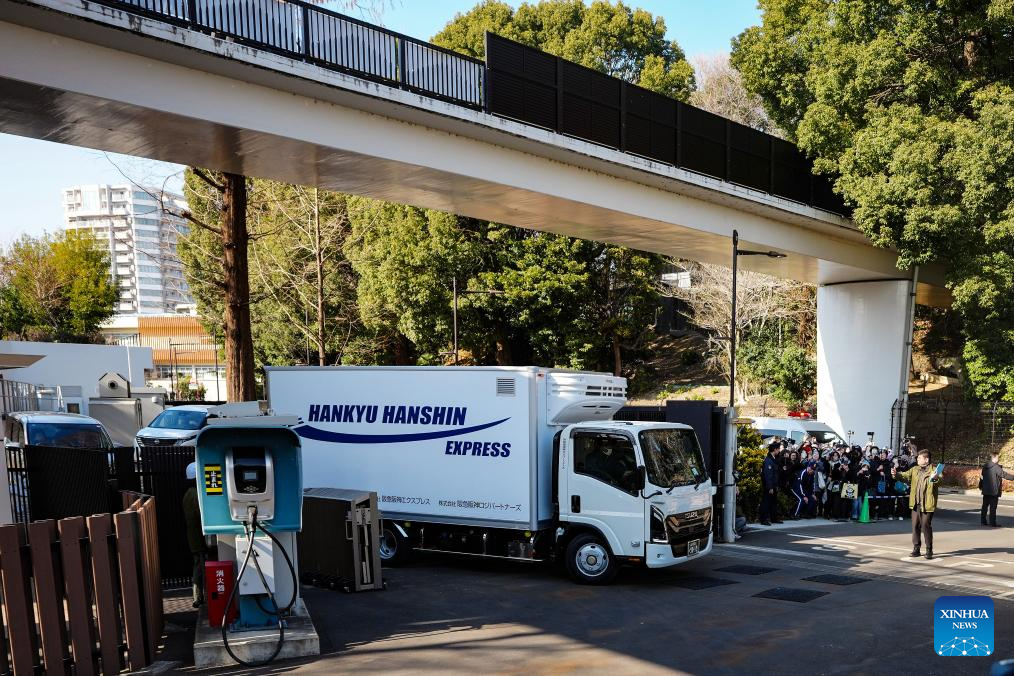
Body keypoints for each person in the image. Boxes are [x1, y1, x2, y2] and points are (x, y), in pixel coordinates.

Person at [892, 450, 941, 560]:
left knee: (925, 525)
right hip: (915, 503)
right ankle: (916, 548)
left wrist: (935, 477)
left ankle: (929, 549)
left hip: (927, 504)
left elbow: (940, 480)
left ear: (926, 460)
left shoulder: (934, 470)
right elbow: (904, 475)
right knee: (915, 526)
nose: (917, 459)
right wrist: (896, 474)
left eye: (919, 458)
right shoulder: (915, 469)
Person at [182, 462, 208, 607]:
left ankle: (198, 597)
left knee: (198, 566)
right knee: (201, 567)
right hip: (199, 538)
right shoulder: (195, 494)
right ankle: (199, 598)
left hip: (194, 537)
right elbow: (200, 515)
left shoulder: (188, 493)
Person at [980, 451, 1014, 527]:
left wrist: (981, 487)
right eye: (998, 457)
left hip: (985, 490)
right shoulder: (995, 467)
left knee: (984, 506)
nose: (998, 459)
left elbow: (982, 477)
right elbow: (1004, 474)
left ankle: (983, 521)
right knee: (993, 508)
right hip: (993, 491)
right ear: (994, 457)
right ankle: (992, 523)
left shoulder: (985, 466)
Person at [760, 442, 784, 526]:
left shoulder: (774, 459)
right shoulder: (768, 460)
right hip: (769, 485)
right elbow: (768, 475)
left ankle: (774, 518)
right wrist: (770, 487)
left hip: (773, 485)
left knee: (773, 502)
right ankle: (763, 519)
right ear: (775, 449)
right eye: (778, 449)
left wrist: (775, 486)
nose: (779, 451)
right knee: (766, 502)